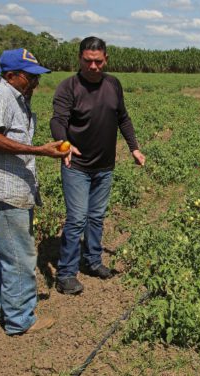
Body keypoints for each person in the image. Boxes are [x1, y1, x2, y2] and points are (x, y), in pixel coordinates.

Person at [0, 48, 67, 334]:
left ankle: (2, 311)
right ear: (11, 75)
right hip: (5, 188)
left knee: (9, 254)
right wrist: (40, 150)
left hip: (14, 187)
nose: (35, 83)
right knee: (20, 257)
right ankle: (20, 320)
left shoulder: (16, 98)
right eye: (30, 77)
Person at [50, 36, 146, 295]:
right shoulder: (68, 87)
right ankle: (66, 273)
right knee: (77, 218)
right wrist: (63, 143)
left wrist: (134, 147)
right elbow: (58, 120)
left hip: (104, 166)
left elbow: (123, 118)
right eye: (88, 61)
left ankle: (92, 261)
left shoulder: (113, 84)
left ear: (106, 59)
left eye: (98, 61)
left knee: (96, 216)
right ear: (80, 58)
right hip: (77, 165)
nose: (93, 67)